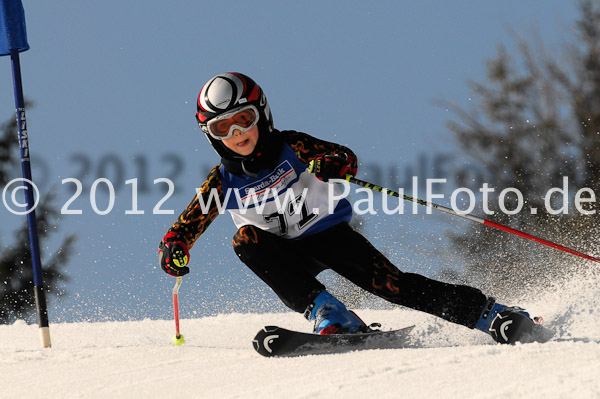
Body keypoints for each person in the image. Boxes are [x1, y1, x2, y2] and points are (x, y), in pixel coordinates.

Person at [158, 72, 537, 344]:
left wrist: (335, 165)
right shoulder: (221, 181)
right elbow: (188, 223)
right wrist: (174, 245)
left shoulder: (291, 146)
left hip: (329, 237)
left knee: (393, 286)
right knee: (245, 240)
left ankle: (490, 314)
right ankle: (329, 313)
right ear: (211, 136)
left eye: (244, 120)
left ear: (262, 114)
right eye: (224, 128)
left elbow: (343, 156)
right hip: (286, 256)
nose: (238, 134)